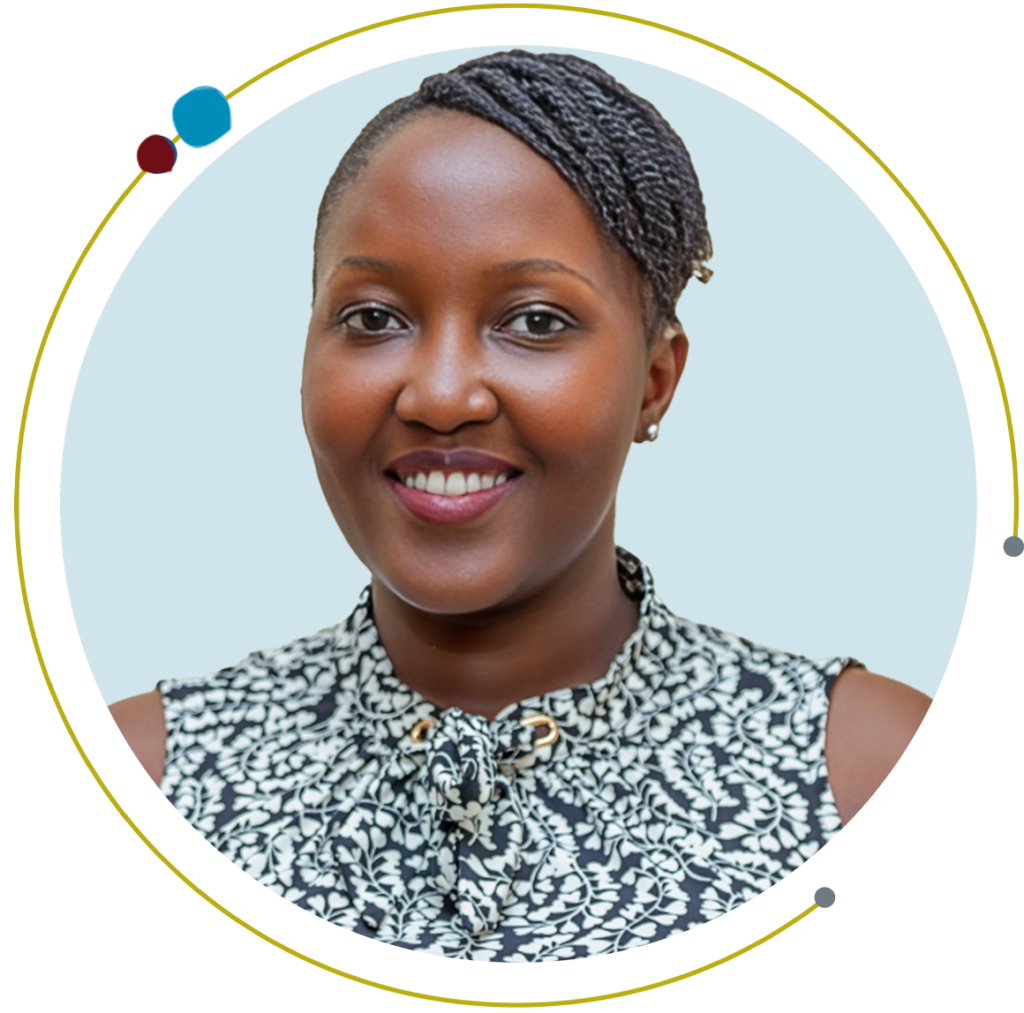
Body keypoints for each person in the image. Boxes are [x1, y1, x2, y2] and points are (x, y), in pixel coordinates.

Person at [108, 50, 932, 961]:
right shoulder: (151, 772)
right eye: (374, 317)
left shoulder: (855, 768)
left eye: (535, 321)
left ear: (655, 382)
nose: (442, 394)